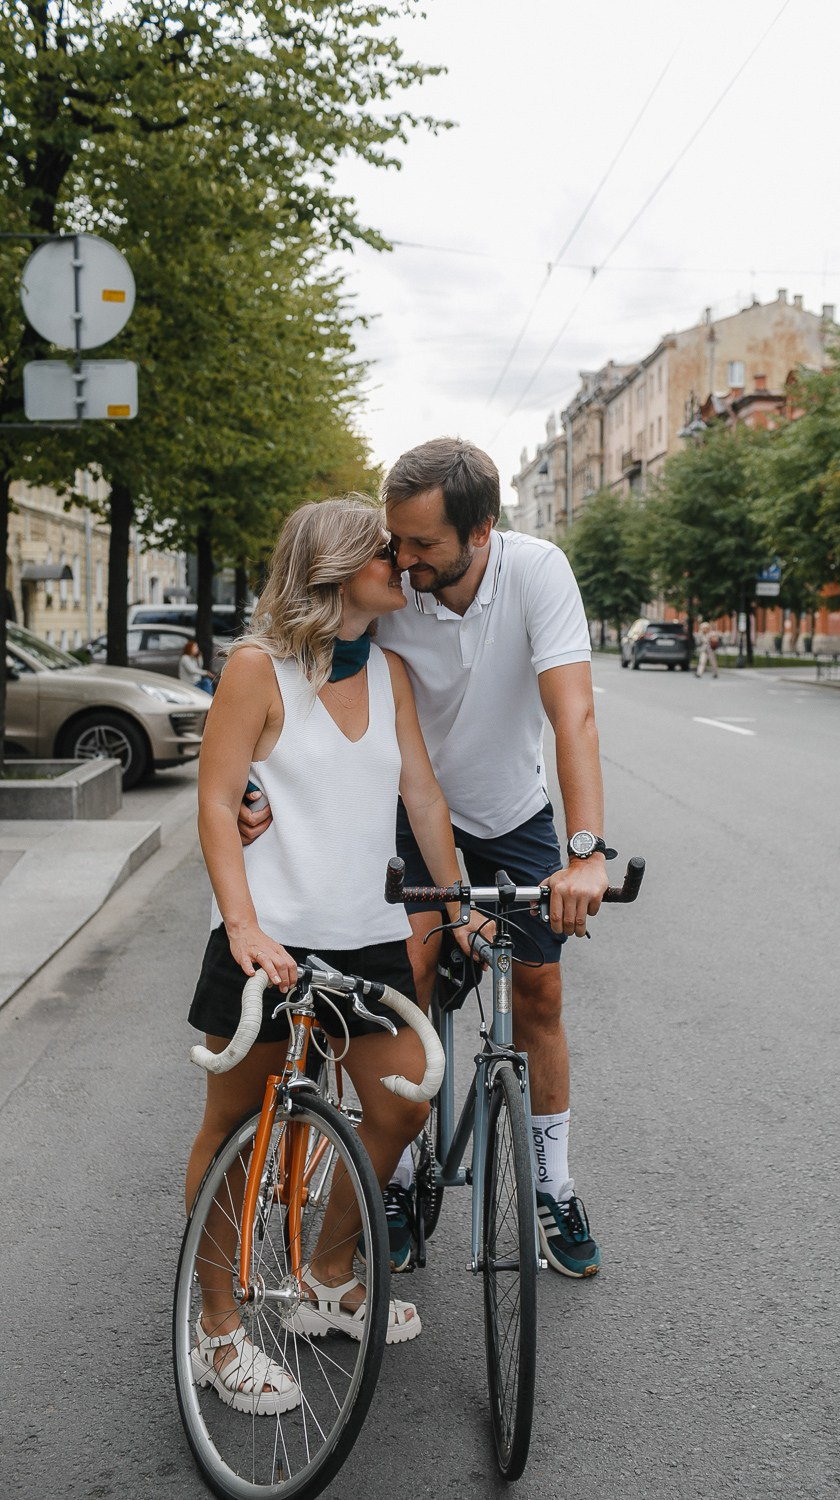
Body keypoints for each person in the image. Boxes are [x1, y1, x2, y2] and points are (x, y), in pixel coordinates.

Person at [242, 438, 611, 1280]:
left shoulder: (538, 571)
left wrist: (585, 853)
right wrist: (246, 778)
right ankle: (399, 1173)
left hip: (511, 809)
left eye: (421, 546)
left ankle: (552, 1185)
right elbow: (285, 650)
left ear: (480, 533)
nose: (401, 561)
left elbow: (574, 716)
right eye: (393, 540)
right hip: (404, 814)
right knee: (405, 976)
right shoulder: (387, 580)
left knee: (541, 990)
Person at [187, 495, 481, 1413]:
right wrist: (241, 926)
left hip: (370, 940)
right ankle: (218, 1326)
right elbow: (214, 801)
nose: (402, 563)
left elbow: (424, 800)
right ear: (335, 568)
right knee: (238, 1133)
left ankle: (326, 1268)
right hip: (269, 941)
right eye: (384, 553)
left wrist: (461, 903)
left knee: (405, 1098)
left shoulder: (390, 671)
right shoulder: (255, 669)